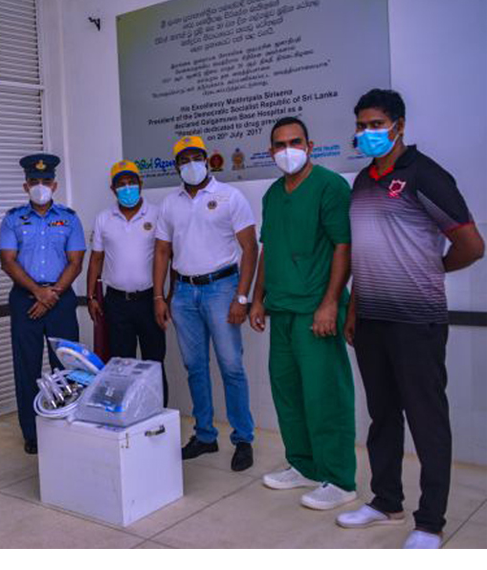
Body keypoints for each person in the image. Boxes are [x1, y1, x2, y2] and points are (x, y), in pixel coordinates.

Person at [336, 89, 484, 548]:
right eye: (361, 125)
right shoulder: (362, 182)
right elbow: (365, 254)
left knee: (426, 418)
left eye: (376, 124)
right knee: (382, 415)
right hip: (373, 319)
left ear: (399, 126)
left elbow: (472, 245)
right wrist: (355, 308)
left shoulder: (426, 175)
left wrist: (430, 269)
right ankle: (386, 500)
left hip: (417, 320)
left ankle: (430, 522)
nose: (367, 133)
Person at [248, 117, 357, 510]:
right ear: (270, 151)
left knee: (325, 395)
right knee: (288, 394)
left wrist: (330, 303)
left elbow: (343, 247)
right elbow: (267, 249)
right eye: (279, 144)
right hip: (282, 308)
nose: (287, 150)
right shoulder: (273, 194)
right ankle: (305, 465)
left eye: (295, 142)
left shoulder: (330, 187)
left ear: (310, 146)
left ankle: (340, 478)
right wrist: (256, 298)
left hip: (316, 309)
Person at [153, 135, 257, 472]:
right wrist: (160, 295)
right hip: (183, 293)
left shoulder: (230, 196)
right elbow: (162, 252)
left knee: (231, 367)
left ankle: (243, 439)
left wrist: (242, 295)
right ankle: (205, 435)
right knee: (194, 367)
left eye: (196, 157)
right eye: (183, 160)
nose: (190, 164)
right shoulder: (170, 203)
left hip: (221, 288)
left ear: (207, 160)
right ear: (176, 166)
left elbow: (250, 248)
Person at [0, 154, 86, 454]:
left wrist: (52, 294)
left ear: (55, 184)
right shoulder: (13, 218)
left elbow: (76, 262)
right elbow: (7, 262)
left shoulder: (70, 218)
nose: (40, 186)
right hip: (25, 299)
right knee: (27, 368)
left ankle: (66, 423)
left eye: (45, 181)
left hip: (60, 299)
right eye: (34, 181)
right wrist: (38, 292)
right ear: (25, 185)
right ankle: (32, 433)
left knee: (67, 367)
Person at [86, 160, 168, 404]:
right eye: (121, 184)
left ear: (141, 184)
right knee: (121, 366)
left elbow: (167, 255)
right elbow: (96, 260)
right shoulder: (103, 218)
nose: (127, 187)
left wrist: (164, 297)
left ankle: (158, 417)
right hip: (117, 303)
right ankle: (127, 417)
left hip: (149, 300)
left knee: (154, 363)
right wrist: (90, 296)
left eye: (132, 182)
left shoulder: (156, 214)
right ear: (113, 190)